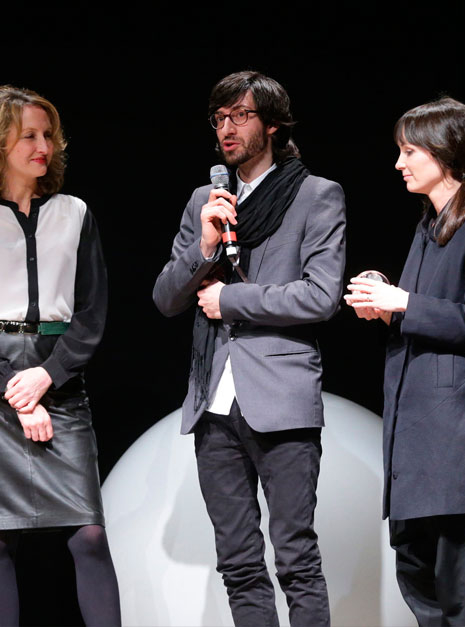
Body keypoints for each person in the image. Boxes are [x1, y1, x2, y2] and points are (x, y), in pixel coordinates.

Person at [153, 70, 345, 626]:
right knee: (238, 564)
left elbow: (321, 295)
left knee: (295, 559)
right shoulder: (204, 200)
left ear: (273, 124)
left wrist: (233, 299)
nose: (227, 128)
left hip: (281, 398)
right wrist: (206, 244)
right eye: (219, 119)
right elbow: (166, 298)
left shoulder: (316, 194)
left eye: (240, 115)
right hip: (213, 403)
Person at [345, 97, 465, 625]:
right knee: (421, 577)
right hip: (424, 444)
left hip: (457, 446)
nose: (399, 163)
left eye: (409, 151)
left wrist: (404, 303)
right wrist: (387, 302)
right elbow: (436, 315)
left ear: (444, 153)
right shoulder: (431, 228)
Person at [0, 85, 120, 626]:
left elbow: (91, 312)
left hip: (59, 375)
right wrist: (13, 392)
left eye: (48, 135)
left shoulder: (75, 213)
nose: (44, 145)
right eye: (30, 136)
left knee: (88, 534)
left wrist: (46, 376)